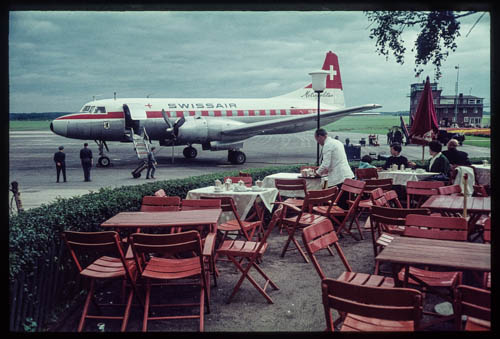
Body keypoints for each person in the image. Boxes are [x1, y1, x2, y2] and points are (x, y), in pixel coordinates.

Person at [314, 129, 354, 209]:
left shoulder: (327, 145)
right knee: (344, 203)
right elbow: (335, 160)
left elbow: (326, 164)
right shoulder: (337, 142)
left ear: (320, 137)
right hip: (347, 175)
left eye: (317, 140)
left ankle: (336, 220)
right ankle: (342, 219)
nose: (318, 142)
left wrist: (317, 173)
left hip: (338, 178)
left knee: (338, 204)